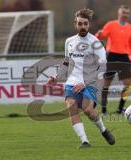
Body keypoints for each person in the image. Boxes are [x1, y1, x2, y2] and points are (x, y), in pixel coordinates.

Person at [46, 8, 115, 149]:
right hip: (71, 81)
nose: (83, 27)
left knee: (88, 110)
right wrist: (56, 76)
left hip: (90, 82)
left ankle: (103, 130)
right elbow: (67, 62)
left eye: (85, 24)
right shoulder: (69, 41)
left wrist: (86, 83)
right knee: (71, 107)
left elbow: (102, 67)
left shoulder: (96, 43)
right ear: (75, 24)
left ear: (89, 25)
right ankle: (85, 141)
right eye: (80, 24)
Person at [95, 5, 131, 114]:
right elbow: (101, 36)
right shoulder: (111, 25)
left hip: (124, 57)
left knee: (128, 85)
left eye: (127, 13)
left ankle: (120, 109)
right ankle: (104, 110)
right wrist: (99, 34)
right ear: (119, 13)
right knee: (106, 84)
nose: (125, 15)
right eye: (123, 12)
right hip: (112, 56)